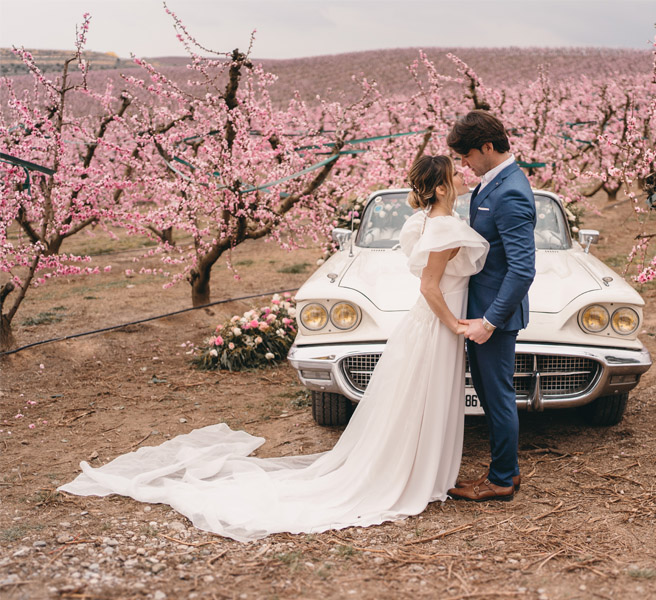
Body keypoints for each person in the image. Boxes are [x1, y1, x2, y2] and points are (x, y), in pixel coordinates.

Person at [59, 156, 489, 542]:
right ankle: (415, 476)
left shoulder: (426, 223)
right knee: (421, 398)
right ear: (438, 188)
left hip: (425, 325)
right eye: (455, 174)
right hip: (436, 324)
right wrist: (455, 324)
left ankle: (421, 472)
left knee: (416, 400)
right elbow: (430, 285)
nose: (462, 178)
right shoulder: (444, 227)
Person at [447, 110, 537, 502]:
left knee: (497, 396)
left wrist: (489, 321)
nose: (463, 165)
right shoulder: (490, 184)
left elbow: (522, 269)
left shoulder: (511, 190)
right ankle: (506, 470)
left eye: (466, 156)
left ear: (487, 147)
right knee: (487, 393)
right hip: (479, 310)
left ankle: (501, 480)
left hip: (493, 317)